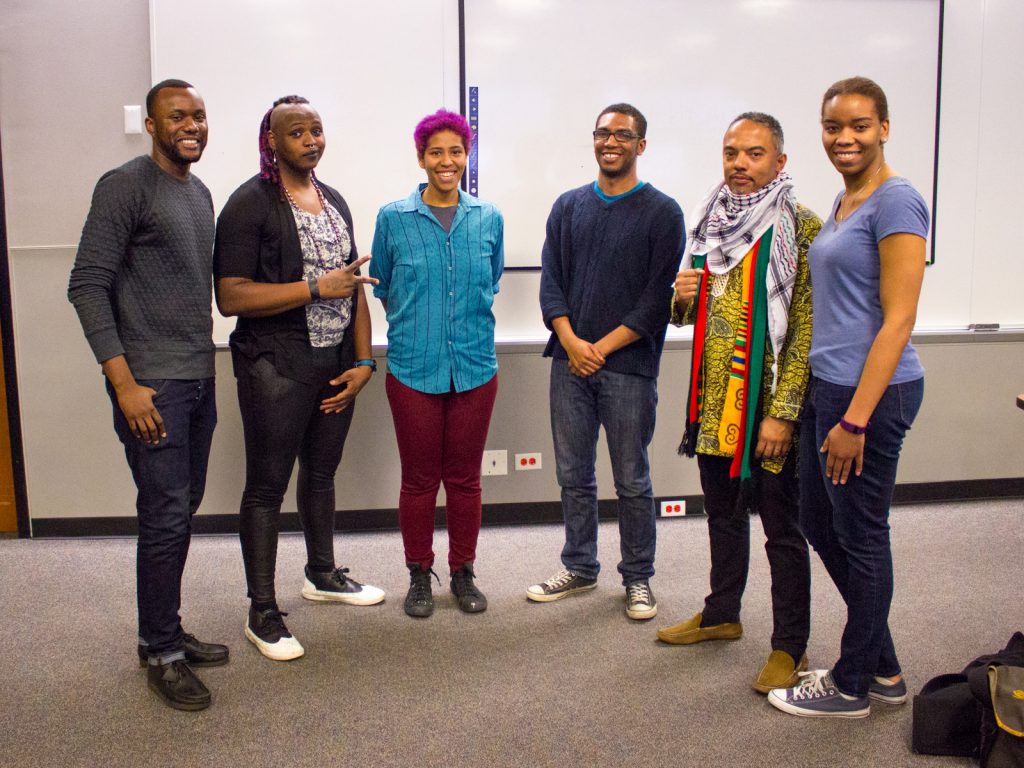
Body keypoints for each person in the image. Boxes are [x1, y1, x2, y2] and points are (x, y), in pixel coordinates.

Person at [768, 77, 928, 718]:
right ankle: (883, 665)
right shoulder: (843, 200)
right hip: (828, 387)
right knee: (817, 521)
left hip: (871, 396)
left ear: (884, 128)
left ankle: (855, 682)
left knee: (862, 533)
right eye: (833, 127)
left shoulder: (897, 201)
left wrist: (856, 419)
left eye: (859, 125)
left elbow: (899, 319)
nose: (845, 138)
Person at [68, 79, 227, 711]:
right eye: (178, 116)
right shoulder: (125, 184)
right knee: (164, 514)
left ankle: (167, 627)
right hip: (151, 385)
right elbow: (86, 285)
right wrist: (125, 383)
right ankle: (158, 649)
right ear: (153, 125)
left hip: (197, 375)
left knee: (180, 509)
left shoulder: (201, 193)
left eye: (200, 116)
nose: (192, 125)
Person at [214, 95, 384, 662]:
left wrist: (363, 363)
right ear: (271, 141)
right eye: (296, 132)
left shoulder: (333, 200)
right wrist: (313, 288)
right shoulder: (249, 203)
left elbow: (354, 284)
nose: (311, 140)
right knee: (266, 487)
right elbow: (230, 295)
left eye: (316, 130)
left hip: (335, 364)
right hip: (275, 366)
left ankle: (322, 574)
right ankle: (261, 611)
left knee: (322, 472)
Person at [657, 113, 820, 692]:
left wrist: (783, 412)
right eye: (731, 153)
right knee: (723, 518)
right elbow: (691, 316)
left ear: (780, 162)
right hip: (713, 403)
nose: (739, 165)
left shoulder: (801, 226)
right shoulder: (710, 222)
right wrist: (679, 301)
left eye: (754, 154)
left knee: (782, 528)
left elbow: (804, 328)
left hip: (770, 406)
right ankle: (722, 614)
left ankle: (789, 646)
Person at [527, 103, 685, 620]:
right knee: (574, 475)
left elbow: (655, 300)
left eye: (622, 134)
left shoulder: (663, 212)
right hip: (568, 363)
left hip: (628, 369)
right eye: (602, 133)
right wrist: (572, 342)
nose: (609, 141)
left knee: (632, 479)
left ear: (641, 145)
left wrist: (601, 348)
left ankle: (638, 579)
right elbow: (551, 283)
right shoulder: (568, 206)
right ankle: (579, 566)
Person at [369, 109, 503, 618]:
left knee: (465, 479)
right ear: (421, 157)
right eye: (436, 152)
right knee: (419, 480)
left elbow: (489, 282)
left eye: (456, 151)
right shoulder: (393, 219)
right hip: (412, 369)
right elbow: (382, 285)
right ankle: (419, 574)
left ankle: (463, 572)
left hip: (474, 367)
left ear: (467, 156)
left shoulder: (488, 217)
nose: (446, 161)